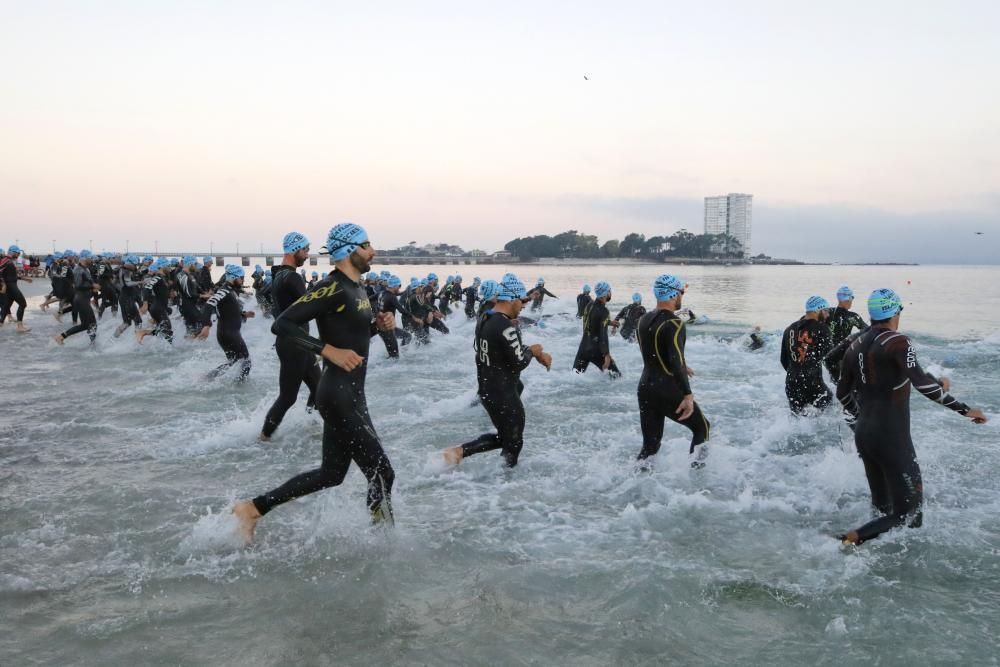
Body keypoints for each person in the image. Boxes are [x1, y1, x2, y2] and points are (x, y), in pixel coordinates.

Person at [232, 223, 397, 541]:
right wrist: (327, 350)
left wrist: (379, 326)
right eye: (367, 245)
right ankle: (384, 544)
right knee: (382, 472)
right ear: (350, 250)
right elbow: (283, 324)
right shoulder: (333, 287)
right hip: (338, 395)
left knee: (332, 474)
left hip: (351, 393)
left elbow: (353, 339)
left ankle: (253, 509)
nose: (373, 251)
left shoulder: (358, 288)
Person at [836, 288, 988, 545]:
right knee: (910, 514)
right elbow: (921, 385)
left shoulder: (856, 345)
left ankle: (870, 553)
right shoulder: (898, 342)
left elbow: (842, 393)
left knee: (882, 508)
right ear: (894, 312)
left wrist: (862, 421)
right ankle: (850, 539)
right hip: (890, 437)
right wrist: (964, 409)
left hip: (864, 433)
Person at [442, 273, 552, 468]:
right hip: (503, 393)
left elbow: (502, 352)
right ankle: (499, 479)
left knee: (507, 438)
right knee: (514, 442)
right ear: (512, 299)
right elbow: (518, 362)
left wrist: (529, 351)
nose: (524, 305)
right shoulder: (504, 325)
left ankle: (462, 454)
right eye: (522, 300)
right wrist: (533, 352)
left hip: (487, 390)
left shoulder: (486, 317)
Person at [635, 274, 710, 466]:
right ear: (673, 294)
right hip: (667, 388)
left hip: (645, 388)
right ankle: (698, 479)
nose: (682, 297)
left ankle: (638, 480)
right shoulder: (675, 323)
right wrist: (687, 395)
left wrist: (683, 366)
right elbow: (674, 362)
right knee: (702, 428)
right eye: (681, 292)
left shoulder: (643, 319)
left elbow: (655, 352)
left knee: (650, 447)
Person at [260, 232, 321, 439]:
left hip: (297, 342)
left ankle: (310, 424)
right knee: (288, 397)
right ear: (295, 250)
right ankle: (264, 436)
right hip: (294, 344)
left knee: (319, 389)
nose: (307, 254)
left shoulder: (278, 275)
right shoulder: (292, 277)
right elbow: (309, 307)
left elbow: (271, 297)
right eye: (305, 250)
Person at [200, 265, 254, 382]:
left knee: (234, 362)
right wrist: (206, 325)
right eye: (241, 278)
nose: (243, 280)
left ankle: (208, 378)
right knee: (246, 362)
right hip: (229, 334)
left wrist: (243, 314)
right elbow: (209, 305)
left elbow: (228, 310)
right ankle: (240, 387)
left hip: (226, 333)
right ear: (233, 277)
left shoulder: (230, 291)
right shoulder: (224, 291)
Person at [780, 296, 833, 414]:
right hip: (813, 383)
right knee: (829, 409)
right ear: (818, 310)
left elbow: (783, 360)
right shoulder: (823, 329)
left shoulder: (789, 329)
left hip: (791, 383)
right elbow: (831, 358)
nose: (828, 315)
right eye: (826, 311)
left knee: (797, 421)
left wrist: (796, 373)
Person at [573, 281, 620, 378]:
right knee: (617, 376)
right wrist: (606, 355)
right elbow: (603, 334)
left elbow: (592, 322)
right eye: (609, 291)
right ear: (605, 294)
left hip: (583, 348)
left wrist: (609, 322)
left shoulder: (589, 305)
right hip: (595, 350)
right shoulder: (604, 311)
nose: (610, 293)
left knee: (575, 377)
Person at [52, 250, 99, 345]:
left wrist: (92, 286)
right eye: (90, 258)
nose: (92, 259)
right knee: (91, 324)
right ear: (85, 258)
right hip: (81, 300)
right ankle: (93, 344)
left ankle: (61, 337)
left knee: (86, 325)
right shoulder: (78, 270)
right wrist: (92, 287)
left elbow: (86, 281)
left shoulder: (85, 269)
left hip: (84, 299)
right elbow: (77, 286)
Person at [825, 285, 867, 381]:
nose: (852, 301)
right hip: (842, 353)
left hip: (828, 353)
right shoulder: (853, 317)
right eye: (852, 298)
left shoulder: (828, 313)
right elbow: (868, 331)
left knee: (831, 380)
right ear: (848, 299)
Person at [375, 275, 414, 358]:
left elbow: (369, 299)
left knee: (393, 354)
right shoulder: (391, 297)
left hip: (380, 327)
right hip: (388, 328)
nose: (399, 288)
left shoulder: (381, 293)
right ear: (395, 286)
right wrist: (414, 317)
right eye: (399, 286)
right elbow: (401, 310)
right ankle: (403, 354)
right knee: (395, 356)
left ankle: (402, 353)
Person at [0, 245, 32, 333]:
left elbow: (11, 275)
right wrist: (3, 284)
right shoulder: (6, 260)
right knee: (23, 304)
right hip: (11, 286)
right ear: (12, 252)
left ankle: (1, 322)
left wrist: (25, 279)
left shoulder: (9, 261)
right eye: (17, 253)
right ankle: (20, 326)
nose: (18, 255)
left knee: (6, 306)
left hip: (11, 285)